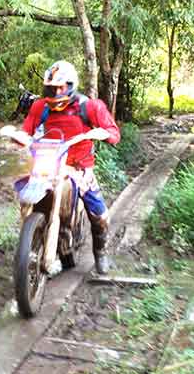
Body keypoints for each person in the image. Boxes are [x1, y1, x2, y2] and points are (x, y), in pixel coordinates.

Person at [21, 60, 120, 274]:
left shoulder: (90, 106)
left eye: (60, 88)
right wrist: (19, 137)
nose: (55, 92)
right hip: (48, 163)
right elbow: (26, 129)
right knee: (25, 196)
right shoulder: (40, 106)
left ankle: (101, 254)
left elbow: (113, 132)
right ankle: (30, 242)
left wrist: (103, 134)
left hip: (79, 168)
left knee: (101, 216)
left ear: (70, 85)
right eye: (51, 88)